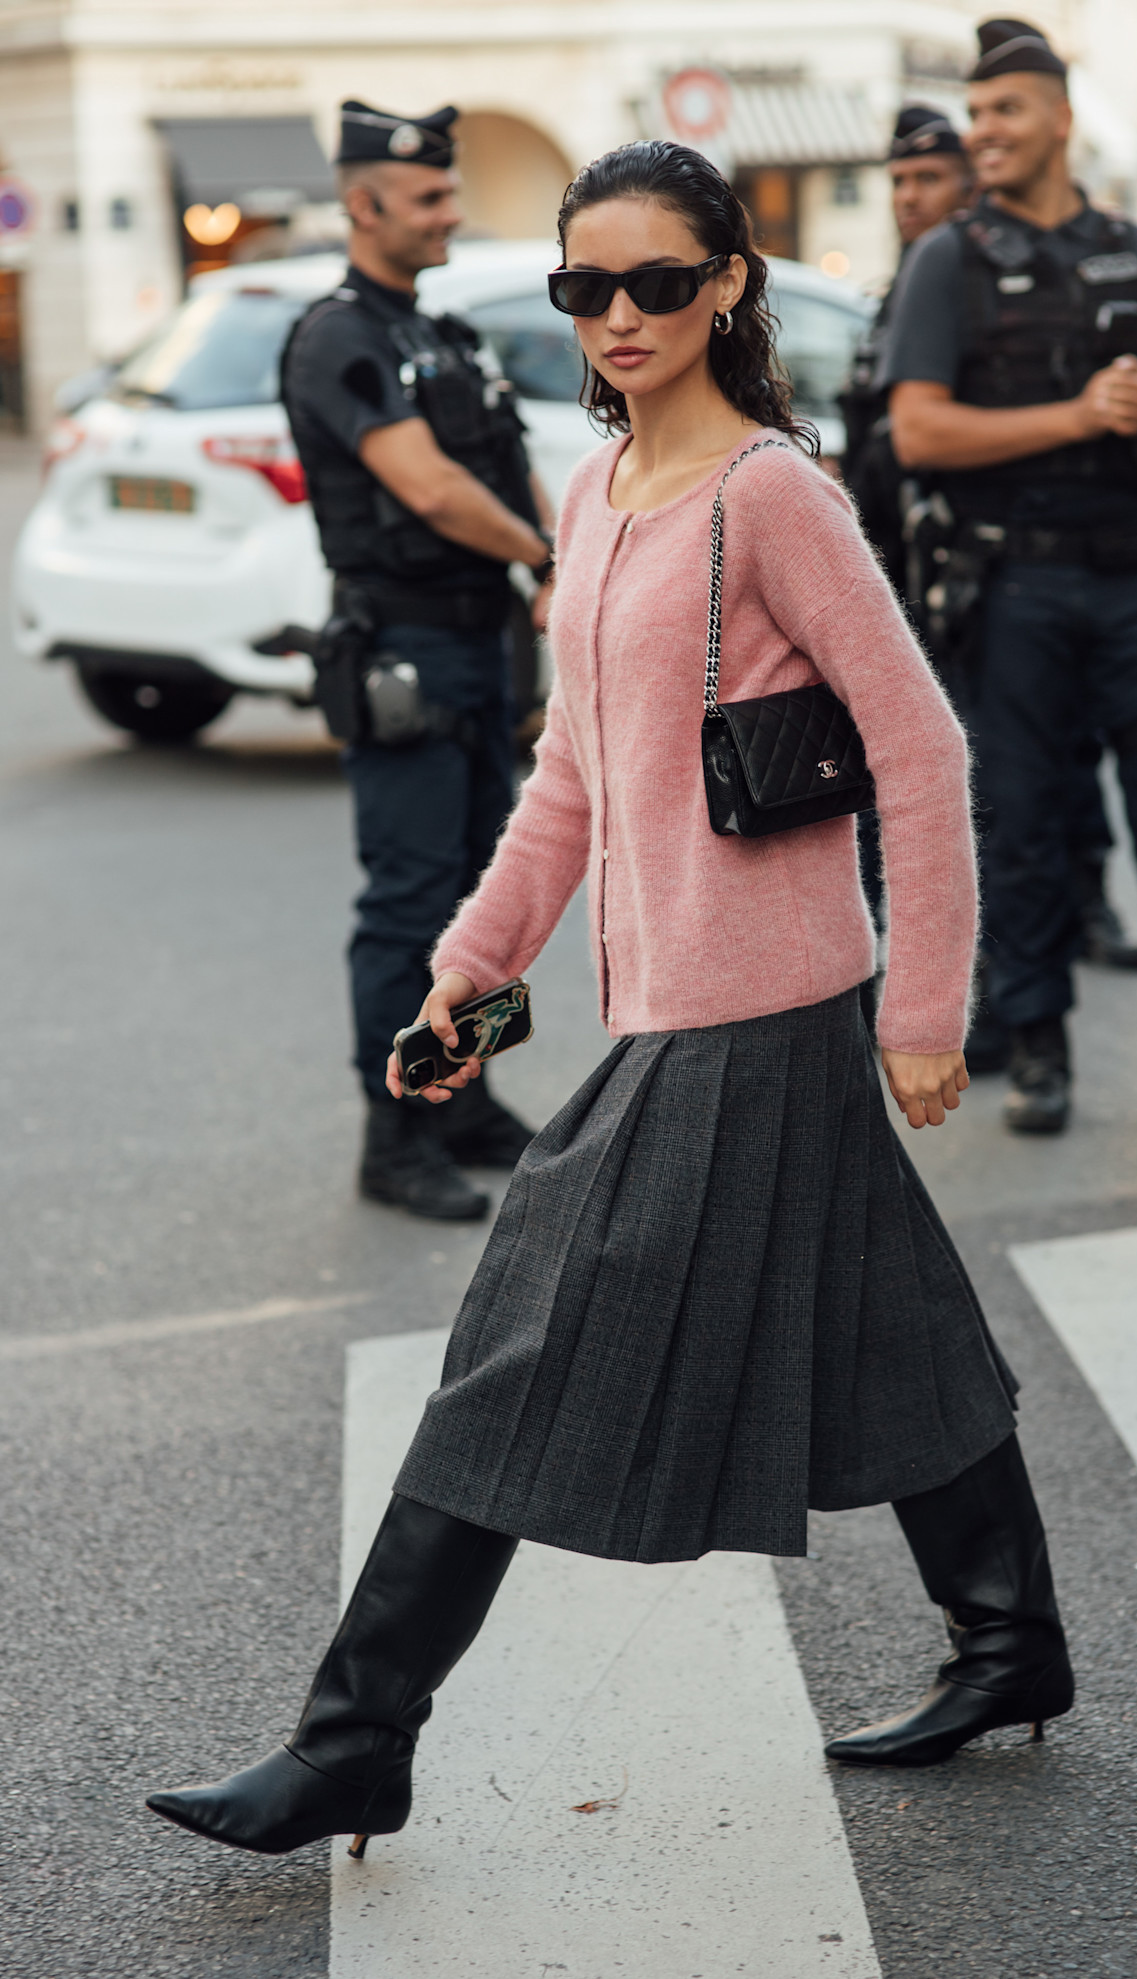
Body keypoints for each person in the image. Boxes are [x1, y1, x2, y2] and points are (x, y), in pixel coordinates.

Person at [145, 139, 1073, 1860]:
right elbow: (571, 778)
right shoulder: (599, 491)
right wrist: (470, 982)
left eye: (658, 281)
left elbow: (921, 746)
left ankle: (357, 1739)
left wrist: (928, 1007)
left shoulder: (773, 497)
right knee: (892, 1332)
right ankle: (1014, 1644)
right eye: (587, 287)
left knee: (518, 1348)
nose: (621, 316)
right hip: (668, 1008)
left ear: (728, 282)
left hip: (763, 1011)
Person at [882, 18, 1137, 1135]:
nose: (986, 133)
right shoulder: (948, 260)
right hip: (1016, 590)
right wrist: (1076, 414)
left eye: (1005, 111)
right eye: (977, 115)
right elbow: (917, 431)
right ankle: (1041, 1043)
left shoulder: (1134, 249)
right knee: (1022, 819)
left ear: (1060, 115)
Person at [281, 100, 557, 1220]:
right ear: (364, 203)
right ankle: (394, 1133)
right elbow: (434, 489)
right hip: (402, 649)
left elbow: (508, 463)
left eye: (450, 191)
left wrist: (550, 565)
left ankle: (464, 1095)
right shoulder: (339, 335)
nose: (452, 211)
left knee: (481, 898)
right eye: (431, 196)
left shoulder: (447, 335)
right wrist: (547, 556)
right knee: (409, 902)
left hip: (479, 645)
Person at [841, 101, 1137, 1064]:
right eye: (895, 182)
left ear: (969, 187)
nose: (907, 198)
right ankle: (968, 985)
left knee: (1008, 795)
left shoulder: (978, 296)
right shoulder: (899, 301)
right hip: (894, 584)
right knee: (931, 802)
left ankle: (1013, 997)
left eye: (926, 179)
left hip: (977, 580)